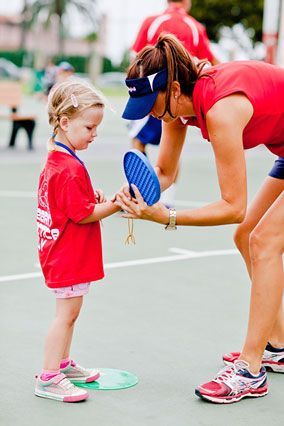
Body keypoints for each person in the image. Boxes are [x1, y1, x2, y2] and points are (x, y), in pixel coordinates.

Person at [116, 33, 284, 404]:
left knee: (263, 240)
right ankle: (278, 345)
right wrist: (124, 200)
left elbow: (232, 206)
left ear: (174, 88)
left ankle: (250, 370)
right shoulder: (177, 111)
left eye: (153, 105)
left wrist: (166, 217)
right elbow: (162, 172)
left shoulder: (221, 108)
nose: (151, 115)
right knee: (246, 237)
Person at [35, 79, 120, 402]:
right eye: (89, 127)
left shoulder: (59, 159)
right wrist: (116, 203)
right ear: (65, 122)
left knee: (71, 313)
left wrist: (92, 195)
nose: (94, 134)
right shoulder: (67, 167)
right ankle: (48, 377)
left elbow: (69, 202)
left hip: (62, 252)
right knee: (66, 315)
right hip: (67, 255)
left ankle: (63, 364)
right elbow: (83, 214)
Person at [128, 0, 218, 207]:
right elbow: (209, 64)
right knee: (174, 150)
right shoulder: (196, 27)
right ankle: (167, 200)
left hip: (152, 94)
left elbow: (136, 60)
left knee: (138, 141)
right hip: (182, 97)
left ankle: (136, 194)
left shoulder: (151, 22)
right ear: (187, 2)